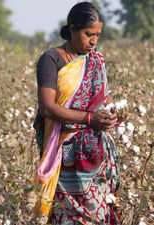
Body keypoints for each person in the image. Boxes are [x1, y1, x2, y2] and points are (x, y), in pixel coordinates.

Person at [32, 2, 124, 224]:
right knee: (67, 213)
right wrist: (89, 119)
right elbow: (47, 107)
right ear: (72, 29)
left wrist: (114, 114)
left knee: (99, 213)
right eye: (88, 34)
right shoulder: (51, 59)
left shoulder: (95, 60)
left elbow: (103, 99)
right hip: (66, 153)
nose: (93, 40)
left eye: (98, 35)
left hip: (96, 153)